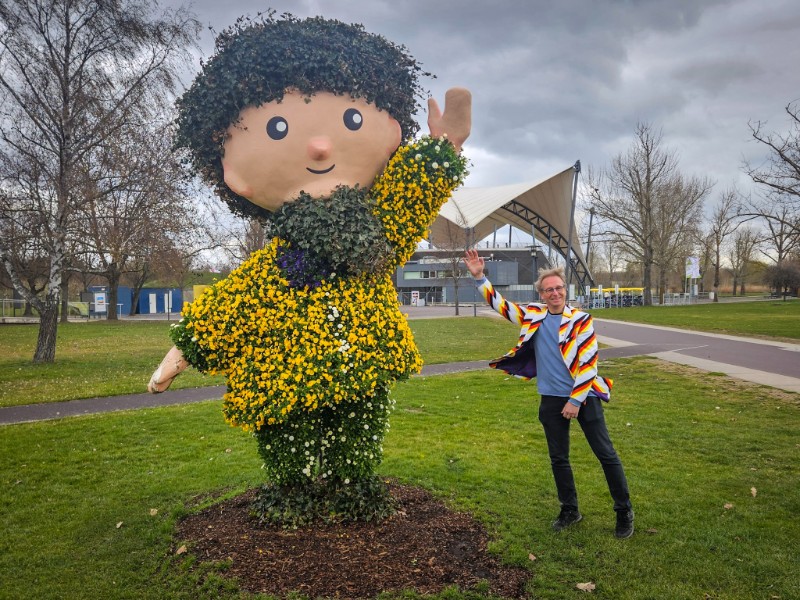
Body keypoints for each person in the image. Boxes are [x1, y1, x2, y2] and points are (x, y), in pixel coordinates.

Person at [463, 248, 634, 538]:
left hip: (584, 396)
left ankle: (623, 512)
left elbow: (589, 364)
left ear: (565, 290)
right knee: (559, 458)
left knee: (605, 454)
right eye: (548, 290)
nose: (555, 293)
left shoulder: (581, 320)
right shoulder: (533, 315)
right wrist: (480, 278)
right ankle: (570, 510)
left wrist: (574, 401)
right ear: (541, 294)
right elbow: (502, 306)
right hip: (551, 399)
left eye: (559, 288)